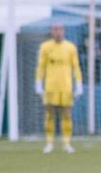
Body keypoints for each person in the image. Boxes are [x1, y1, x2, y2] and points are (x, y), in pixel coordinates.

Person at [34, 24, 83, 154]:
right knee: (49, 113)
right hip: (51, 86)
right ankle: (49, 143)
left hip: (66, 86)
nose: (58, 32)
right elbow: (41, 66)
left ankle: (66, 143)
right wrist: (38, 83)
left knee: (66, 114)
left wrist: (78, 84)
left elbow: (76, 67)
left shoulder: (71, 47)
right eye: (55, 30)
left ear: (64, 31)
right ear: (51, 31)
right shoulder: (45, 47)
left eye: (60, 29)